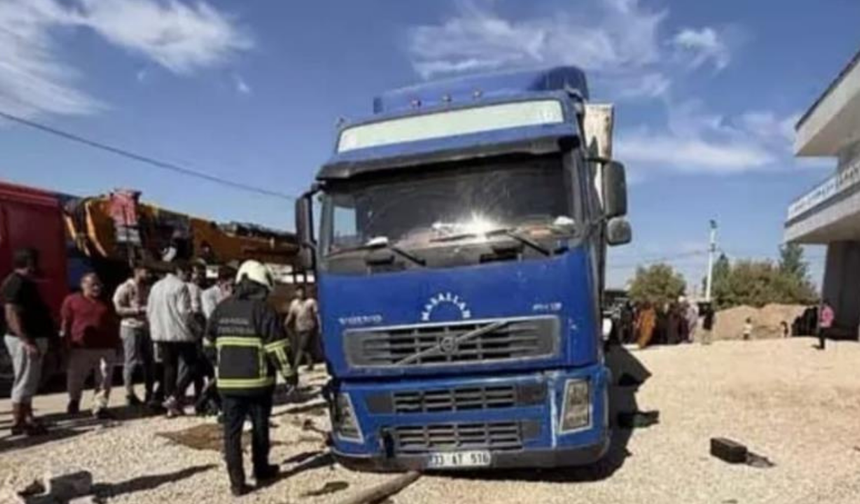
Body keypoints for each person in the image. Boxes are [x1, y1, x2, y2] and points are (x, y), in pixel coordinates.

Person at [206, 260, 297, 496]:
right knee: (259, 427)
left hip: (227, 385)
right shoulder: (263, 310)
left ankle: (237, 484)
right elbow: (278, 349)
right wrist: (290, 376)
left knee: (231, 434)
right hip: (258, 384)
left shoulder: (221, 309)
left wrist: (222, 364)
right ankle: (261, 469)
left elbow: (207, 345)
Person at [1, 248, 54, 435]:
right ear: (30, 263)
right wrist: (26, 340)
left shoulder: (24, 282)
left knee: (30, 381)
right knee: (23, 380)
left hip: (32, 337)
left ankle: (28, 418)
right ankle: (18, 423)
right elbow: (11, 313)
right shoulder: (15, 282)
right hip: (24, 339)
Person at [61, 273, 120, 418]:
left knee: (104, 378)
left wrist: (117, 341)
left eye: (98, 284)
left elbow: (114, 322)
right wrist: (66, 342)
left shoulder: (106, 301)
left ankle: (99, 407)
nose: (96, 287)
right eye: (92, 284)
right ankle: (74, 401)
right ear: (83, 285)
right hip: (81, 347)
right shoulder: (72, 300)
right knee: (76, 377)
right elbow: (66, 322)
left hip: (105, 346)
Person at [147, 261, 201, 417]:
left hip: (161, 333)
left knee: (169, 368)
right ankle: (175, 396)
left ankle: (170, 405)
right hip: (179, 333)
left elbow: (150, 310)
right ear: (179, 271)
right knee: (193, 366)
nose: (189, 276)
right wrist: (196, 328)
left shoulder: (156, 286)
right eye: (188, 272)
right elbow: (185, 312)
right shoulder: (180, 287)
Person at [113, 263, 153, 406]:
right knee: (131, 361)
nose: (149, 274)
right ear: (137, 271)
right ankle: (129, 393)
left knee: (150, 362)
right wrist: (138, 310)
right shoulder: (125, 288)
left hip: (146, 327)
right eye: (146, 271)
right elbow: (118, 308)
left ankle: (150, 392)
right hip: (130, 327)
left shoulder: (147, 288)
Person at [284, 287, 320, 371]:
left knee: (301, 347)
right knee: (305, 347)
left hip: (309, 327)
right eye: (299, 292)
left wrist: (320, 326)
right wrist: (286, 323)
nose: (301, 294)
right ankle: (310, 364)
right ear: (296, 293)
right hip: (298, 327)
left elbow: (317, 314)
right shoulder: (294, 303)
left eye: (302, 292)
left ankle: (295, 367)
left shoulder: (311, 302)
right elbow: (291, 314)